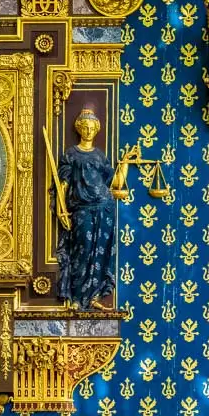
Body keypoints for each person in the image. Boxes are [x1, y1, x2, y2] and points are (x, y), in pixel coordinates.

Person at [54, 107, 138, 309]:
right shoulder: (72, 155)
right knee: (81, 251)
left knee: (100, 253)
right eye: (86, 127)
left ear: (96, 130)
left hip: (104, 207)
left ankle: (94, 297)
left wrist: (125, 162)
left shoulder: (100, 156)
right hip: (81, 208)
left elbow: (116, 183)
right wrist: (60, 208)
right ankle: (75, 299)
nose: (89, 131)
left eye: (92, 128)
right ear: (80, 129)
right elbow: (63, 185)